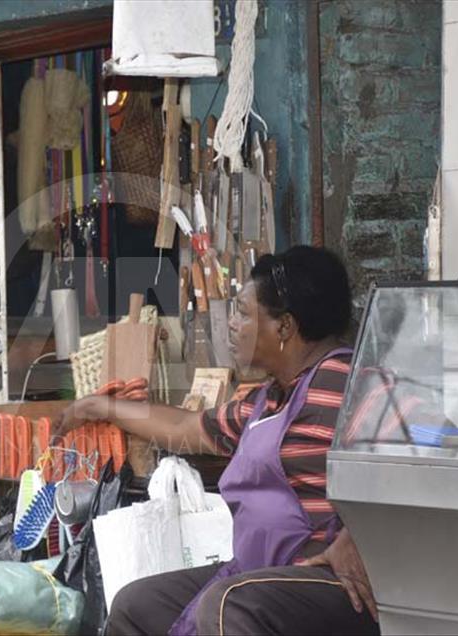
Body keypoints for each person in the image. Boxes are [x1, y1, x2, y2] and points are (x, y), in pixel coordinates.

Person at [55, 246, 380, 636]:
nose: (231, 324)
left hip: (332, 583)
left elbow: (432, 452)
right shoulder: (270, 399)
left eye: (244, 312)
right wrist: (100, 406)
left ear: (285, 327)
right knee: (136, 605)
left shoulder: (348, 384)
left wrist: (361, 534)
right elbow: (186, 428)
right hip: (262, 573)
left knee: (227, 605)